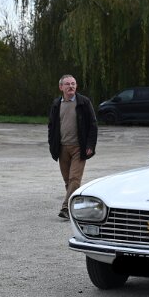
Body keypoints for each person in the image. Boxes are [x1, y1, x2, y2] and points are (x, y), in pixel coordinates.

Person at [48, 74, 98, 219]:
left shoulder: (84, 102)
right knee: (68, 181)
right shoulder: (56, 104)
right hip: (62, 148)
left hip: (79, 148)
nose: (71, 86)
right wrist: (52, 144)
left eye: (73, 84)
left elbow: (93, 125)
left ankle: (65, 208)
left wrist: (90, 145)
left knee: (74, 179)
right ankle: (75, 207)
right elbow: (51, 126)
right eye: (68, 84)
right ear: (61, 87)